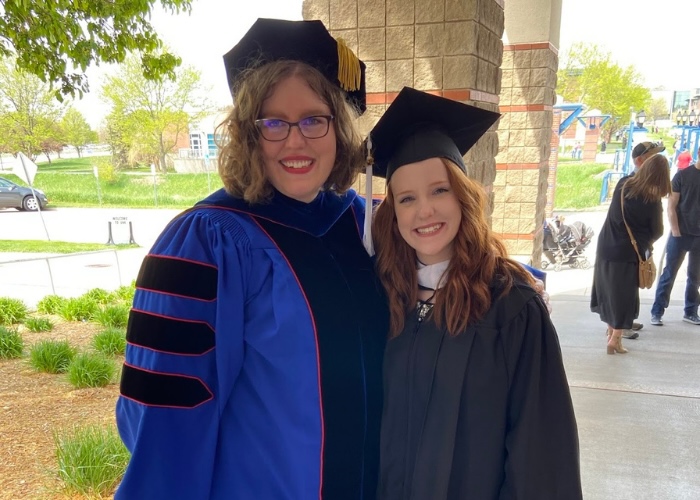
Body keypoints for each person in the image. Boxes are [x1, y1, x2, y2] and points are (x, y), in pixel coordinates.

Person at [114, 18, 390, 499]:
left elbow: (450, 259)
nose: (295, 139)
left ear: (338, 129)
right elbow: (163, 412)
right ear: (248, 134)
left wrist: (512, 279)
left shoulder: (367, 226)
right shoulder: (208, 241)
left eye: (313, 119)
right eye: (273, 122)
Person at [368, 87, 582, 499]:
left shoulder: (512, 308)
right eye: (407, 198)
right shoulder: (384, 294)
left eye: (440, 190)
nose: (424, 211)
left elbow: (540, 451)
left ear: (464, 197)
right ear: (393, 213)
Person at [591, 154, 671, 353]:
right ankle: (615, 339)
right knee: (624, 296)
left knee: (608, 292)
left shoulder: (623, 184)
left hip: (606, 246)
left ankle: (610, 333)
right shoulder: (651, 200)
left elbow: (616, 216)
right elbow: (657, 231)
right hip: (628, 254)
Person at [650, 156, 700, 326]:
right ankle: (657, 311)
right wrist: (676, 231)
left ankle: (691, 311)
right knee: (669, 273)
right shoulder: (682, 176)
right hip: (680, 234)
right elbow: (671, 206)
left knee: (695, 277)